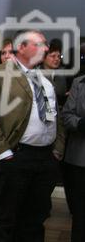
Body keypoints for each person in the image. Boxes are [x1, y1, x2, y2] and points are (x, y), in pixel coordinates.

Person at [0, 30, 65, 242]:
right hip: (16, 157)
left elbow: (56, 117)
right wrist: (4, 153)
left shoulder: (44, 79)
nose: (45, 49)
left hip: (45, 159)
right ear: (22, 47)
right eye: (40, 44)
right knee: (5, 217)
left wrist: (57, 149)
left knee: (36, 217)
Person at [61, 75, 85, 242]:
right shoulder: (79, 83)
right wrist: (81, 123)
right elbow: (66, 116)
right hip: (79, 158)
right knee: (80, 212)